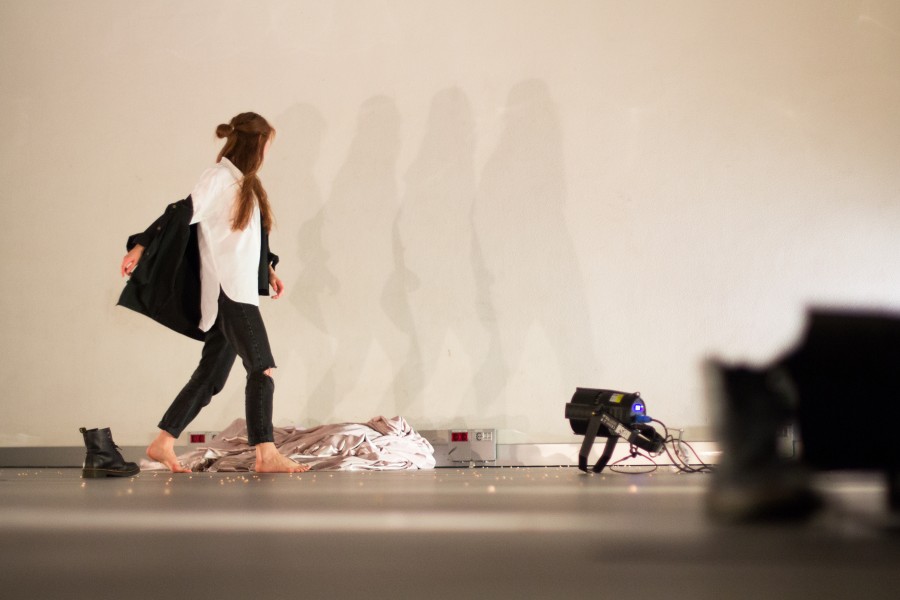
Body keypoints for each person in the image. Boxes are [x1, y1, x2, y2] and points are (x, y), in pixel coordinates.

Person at [120, 112, 308, 474]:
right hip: (229, 291)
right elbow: (179, 213)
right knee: (262, 367)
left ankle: (163, 442)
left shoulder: (245, 183)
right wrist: (141, 246)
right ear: (257, 145)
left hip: (239, 288)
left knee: (210, 377)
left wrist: (269, 270)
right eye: (268, 145)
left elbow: (246, 239)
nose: (268, 152)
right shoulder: (219, 177)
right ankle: (266, 453)